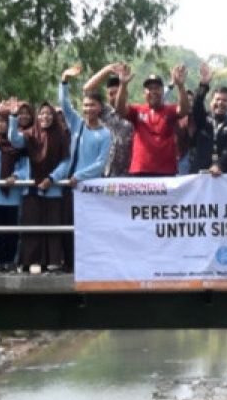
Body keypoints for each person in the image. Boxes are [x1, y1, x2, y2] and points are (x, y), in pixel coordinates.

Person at [59, 66, 113, 272]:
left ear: (100, 108)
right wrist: (64, 81)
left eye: (92, 105)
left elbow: (100, 164)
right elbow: (64, 104)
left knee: (89, 228)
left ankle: (89, 264)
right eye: (86, 105)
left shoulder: (105, 134)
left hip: (89, 188)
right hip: (70, 187)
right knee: (68, 226)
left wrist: (79, 176)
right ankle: (69, 264)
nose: (88, 109)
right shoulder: (77, 124)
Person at [8, 98, 70, 273]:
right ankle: (26, 263)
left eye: (49, 114)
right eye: (42, 113)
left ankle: (49, 263)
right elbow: (14, 140)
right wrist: (13, 117)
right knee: (31, 226)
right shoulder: (30, 133)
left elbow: (66, 162)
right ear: (38, 116)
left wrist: (51, 178)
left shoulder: (61, 135)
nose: (46, 117)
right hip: (32, 188)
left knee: (51, 228)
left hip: (53, 189)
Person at [114, 63, 189, 177]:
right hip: (141, 170)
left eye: (157, 88)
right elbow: (119, 109)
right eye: (149, 89)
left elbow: (184, 110)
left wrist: (181, 86)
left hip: (166, 171)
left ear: (163, 91)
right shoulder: (137, 110)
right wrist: (123, 85)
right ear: (144, 93)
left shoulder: (171, 110)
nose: (153, 91)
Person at [0, 106, 25, 273]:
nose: (1, 125)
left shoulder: (19, 145)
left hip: (12, 194)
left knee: (12, 231)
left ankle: (11, 261)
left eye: (4, 121)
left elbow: (25, 168)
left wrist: (16, 176)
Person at [83, 64, 133, 176]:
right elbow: (87, 90)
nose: (114, 96)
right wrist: (107, 70)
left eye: (118, 92)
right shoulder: (103, 111)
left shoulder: (133, 114)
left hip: (128, 175)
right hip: (104, 174)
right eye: (111, 94)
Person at [188, 62, 227, 173]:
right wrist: (203, 85)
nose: (220, 103)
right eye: (217, 100)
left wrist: (220, 165)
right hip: (199, 174)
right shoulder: (203, 119)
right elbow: (196, 103)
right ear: (211, 102)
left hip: (222, 176)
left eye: (224, 100)